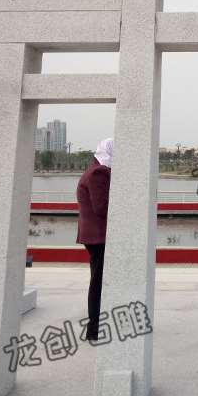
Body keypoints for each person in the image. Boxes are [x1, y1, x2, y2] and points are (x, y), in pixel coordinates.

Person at [77, 138, 113, 340]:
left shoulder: (95, 170)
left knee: (99, 281)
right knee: (99, 284)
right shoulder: (100, 172)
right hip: (100, 236)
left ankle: (97, 327)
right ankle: (94, 329)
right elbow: (102, 206)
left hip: (96, 235)